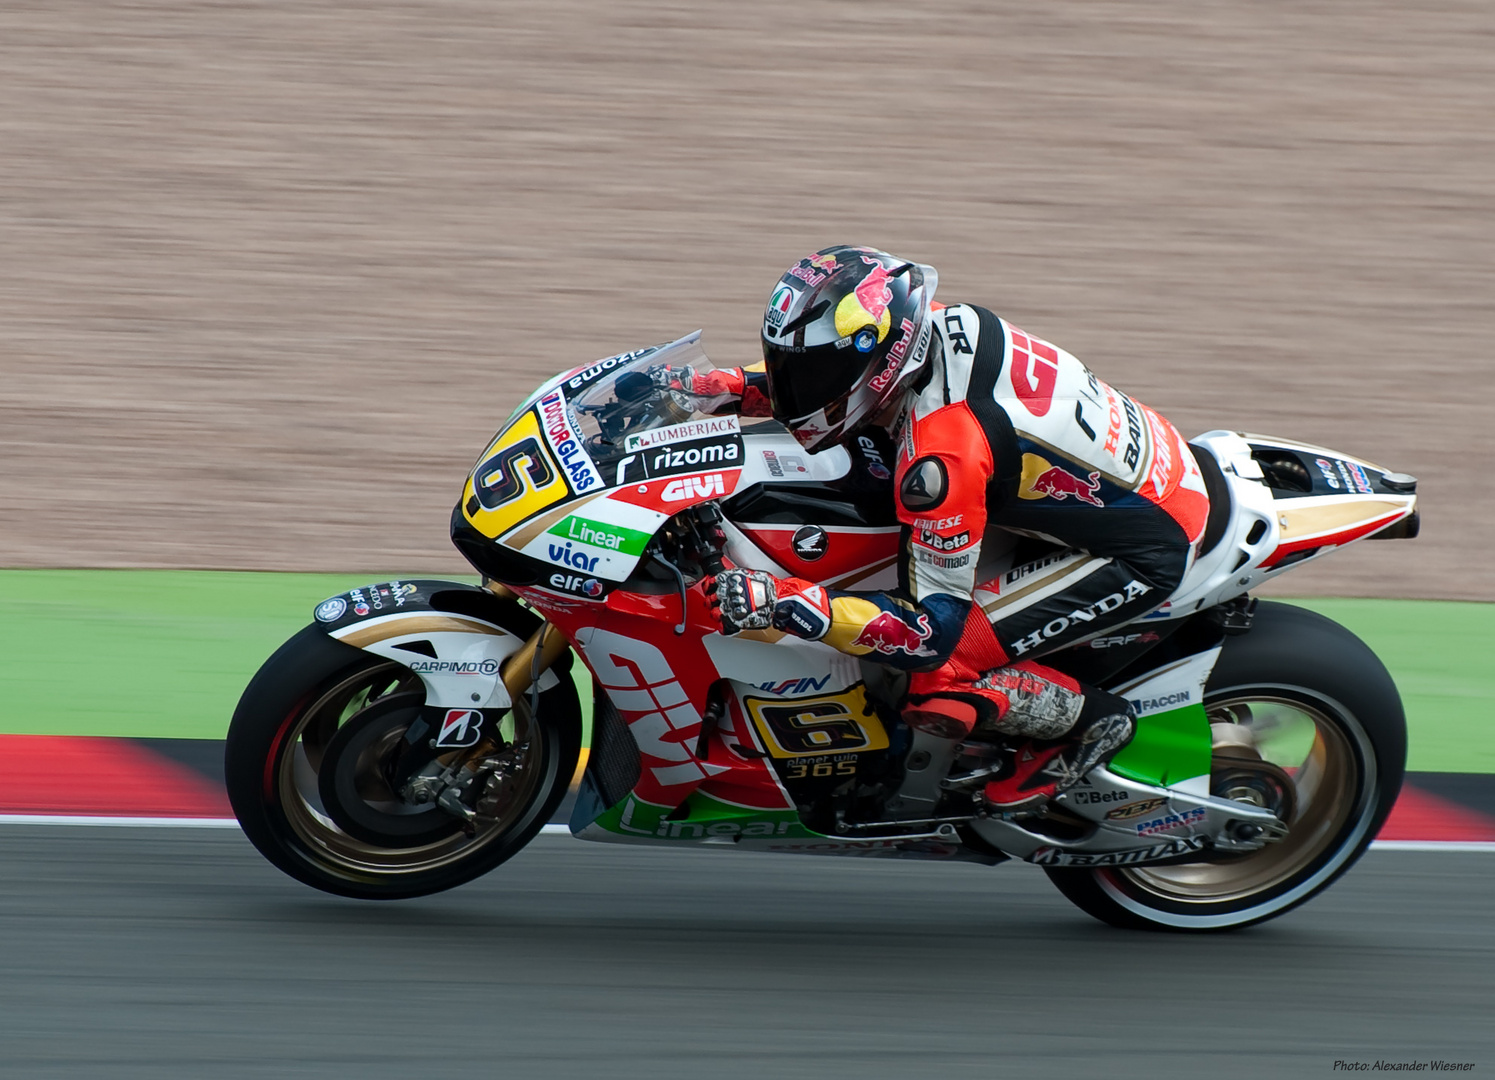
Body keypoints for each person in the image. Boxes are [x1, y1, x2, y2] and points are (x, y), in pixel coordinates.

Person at [697, 246, 1211, 815]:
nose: (800, 381)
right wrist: (731, 386)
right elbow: (840, 379)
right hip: (1119, 474)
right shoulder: (924, 326)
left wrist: (790, 603)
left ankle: (1093, 723)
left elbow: (928, 632)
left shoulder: (941, 460)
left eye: (811, 370)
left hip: (1145, 545)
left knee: (942, 668)